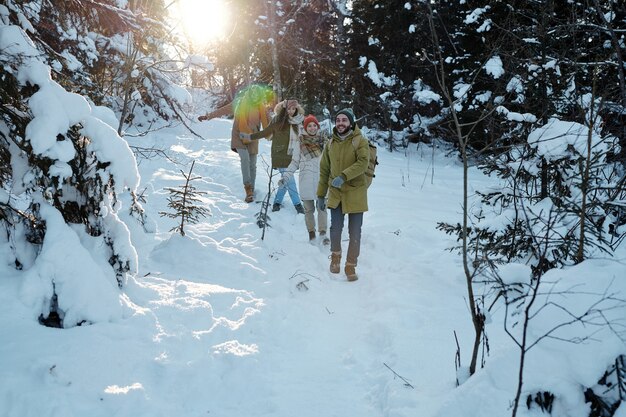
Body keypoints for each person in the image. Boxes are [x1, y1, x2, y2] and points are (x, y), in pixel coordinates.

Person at [316, 108, 369, 281]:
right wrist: (320, 195)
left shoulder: (360, 141)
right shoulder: (330, 143)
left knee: (355, 232)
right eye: (338, 120)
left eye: (344, 120)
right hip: (336, 192)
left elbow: (363, 163)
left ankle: (351, 265)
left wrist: (344, 176)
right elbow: (324, 171)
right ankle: (336, 257)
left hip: (355, 191)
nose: (340, 123)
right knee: (335, 228)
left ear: (351, 122)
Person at [198, 85, 272, 203]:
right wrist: (208, 116)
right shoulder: (239, 102)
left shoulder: (262, 107)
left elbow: (271, 122)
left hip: (253, 138)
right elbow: (223, 110)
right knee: (245, 159)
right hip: (239, 136)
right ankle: (248, 189)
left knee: (252, 165)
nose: (254, 95)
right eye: (252, 93)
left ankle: (251, 189)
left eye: (257, 94)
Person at [241, 99, 304, 214]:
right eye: (288, 109)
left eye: (293, 109)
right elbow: (264, 133)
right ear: (284, 109)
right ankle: (298, 205)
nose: (291, 111)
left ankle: (277, 202)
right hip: (279, 155)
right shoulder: (277, 121)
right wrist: (249, 137)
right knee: (290, 180)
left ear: (296, 109)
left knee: (285, 181)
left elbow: (303, 139)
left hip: (292, 157)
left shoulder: (298, 122)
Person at [278, 114, 330, 244]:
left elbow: (332, 162)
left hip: (321, 180)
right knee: (308, 210)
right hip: (306, 180)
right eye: (309, 126)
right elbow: (294, 162)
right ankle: (311, 234)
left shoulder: (325, 142)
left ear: (317, 127)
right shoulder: (299, 142)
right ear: (305, 128)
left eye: (314, 125)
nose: (312, 128)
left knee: (322, 208)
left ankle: (323, 234)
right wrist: (285, 177)